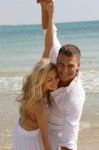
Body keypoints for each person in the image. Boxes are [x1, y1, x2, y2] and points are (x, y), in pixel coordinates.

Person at [38, 1, 86, 150]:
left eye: (70, 66)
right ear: (57, 59)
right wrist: (45, 8)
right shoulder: (56, 55)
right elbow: (48, 30)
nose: (64, 70)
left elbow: (68, 140)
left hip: (58, 132)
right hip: (40, 123)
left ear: (78, 66)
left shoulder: (75, 97)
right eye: (61, 64)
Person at [13, 2, 59, 150]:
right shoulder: (39, 106)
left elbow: (48, 45)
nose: (55, 83)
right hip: (28, 139)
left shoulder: (36, 76)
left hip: (20, 128)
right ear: (41, 80)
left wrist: (49, 14)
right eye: (50, 80)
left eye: (55, 78)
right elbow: (46, 142)